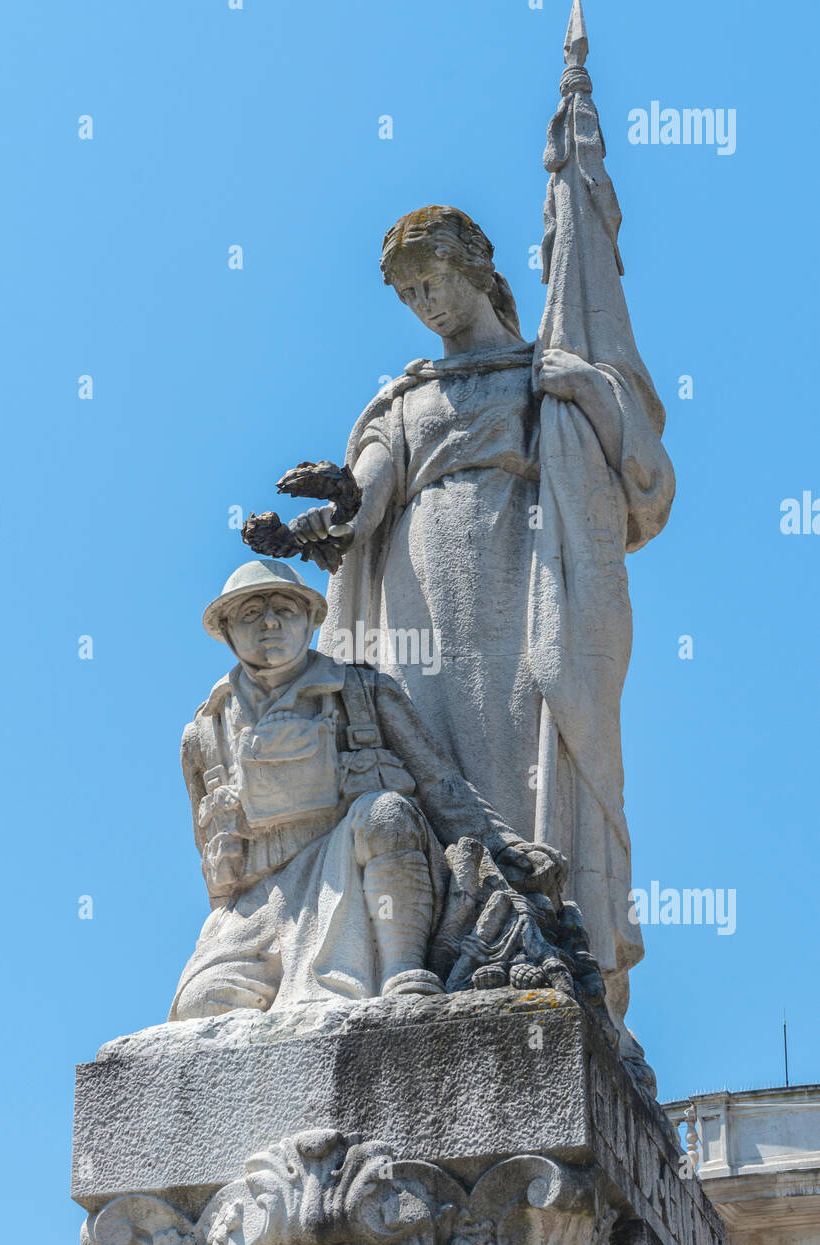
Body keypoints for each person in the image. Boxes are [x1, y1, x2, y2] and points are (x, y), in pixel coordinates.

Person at [287, 205, 675, 1067]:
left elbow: (643, 486)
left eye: (432, 279)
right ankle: (429, 951)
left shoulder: (547, 374)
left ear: (476, 268)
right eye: (407, 290)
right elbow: (369, 493)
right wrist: (332, 515)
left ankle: (537, 937)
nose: (423, 300)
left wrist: (587, 390)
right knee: (430, 765)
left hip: (522, 586)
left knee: (523, 758)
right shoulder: (405, 397)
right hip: (417, 597)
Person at [170, 557, 555, 1021]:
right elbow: (214, 864)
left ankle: (403, 973)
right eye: (250, 613)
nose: (269, 622)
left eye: (284, 609)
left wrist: (505, 845)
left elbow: (439, 782)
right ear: (227, 630)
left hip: (359, 867)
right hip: (260, 904)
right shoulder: (205, 733)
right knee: (200, 1006)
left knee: (386, 813)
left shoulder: (365, 692)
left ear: (312, 620)